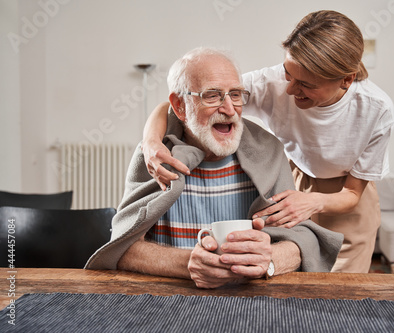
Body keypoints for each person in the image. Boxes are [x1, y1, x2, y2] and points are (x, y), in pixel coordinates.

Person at [141, 10, 394, 273]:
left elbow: (353, 193)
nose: (289, 89)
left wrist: (312, 202)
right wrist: (149, 143)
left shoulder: (376, 110)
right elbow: (180, 103)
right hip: (294, 181)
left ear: (346, 80)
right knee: (296, 283)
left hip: (347, 197)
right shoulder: (270, 83)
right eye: (288, 74)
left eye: (306, 84)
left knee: (343, 293)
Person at [85, 47, 343, 289]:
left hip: (253, 299)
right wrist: (187, 264)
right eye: (212, 95)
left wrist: (270, 257)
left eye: (235, 94)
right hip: (170, 298)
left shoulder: (268, 151)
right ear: (180, 106)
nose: (229, 109)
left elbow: (303, 240)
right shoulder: (155, 157)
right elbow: (123, 246)